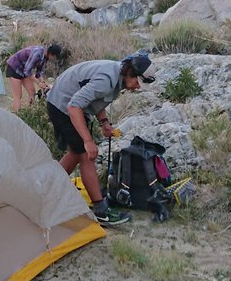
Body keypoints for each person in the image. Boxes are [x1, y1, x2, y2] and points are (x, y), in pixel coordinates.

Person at [46, 52, 157, 226]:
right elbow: (74, 105)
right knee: (86, 154)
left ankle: (47, 189)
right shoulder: (106, 79)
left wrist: (104, 122)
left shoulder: (118, 77)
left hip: (69, 103)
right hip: (62, 104)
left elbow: (95, 98)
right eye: (138, 82)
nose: (137, 87)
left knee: (76, 153)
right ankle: (101, 211)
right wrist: (88, 141)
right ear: (130, 73)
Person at [5, 43, 62, 112]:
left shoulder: (45, 57)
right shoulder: (37, 54)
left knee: (32, 92)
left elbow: (39, 71)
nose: (55, 58)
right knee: (18, 95)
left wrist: (43, 82)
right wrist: (38, 83)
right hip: (14, 68)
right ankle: (16, 115)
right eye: (55, 56)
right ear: (51, 53)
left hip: (24, 69)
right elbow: (27, 71)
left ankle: (30, 112)